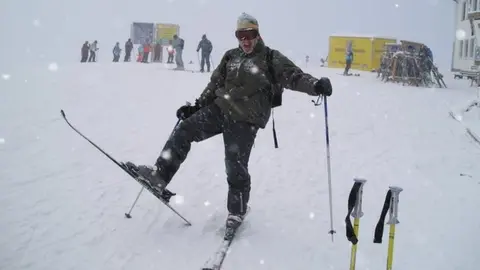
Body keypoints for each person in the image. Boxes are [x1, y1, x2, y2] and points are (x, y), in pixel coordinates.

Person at [127, 13, 332, 230]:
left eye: (249, 34)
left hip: (247, 118)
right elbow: (215, 83)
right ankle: (159, 177)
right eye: (240, 35)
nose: (245, 39)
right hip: (220, 108)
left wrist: (315, 85)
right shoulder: (230, 56)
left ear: (257, 34)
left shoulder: (270, 57)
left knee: (234, 163)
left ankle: (237, 210)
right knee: (184, 130)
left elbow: (293, 76)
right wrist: (196, 106)